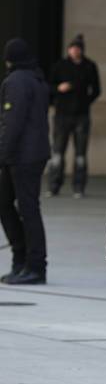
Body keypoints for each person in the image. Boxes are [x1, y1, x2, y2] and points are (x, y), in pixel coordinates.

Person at [0, 38, 50, 285]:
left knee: (27, 209)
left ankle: (34, 266)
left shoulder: (16, 81)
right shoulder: (36, 78)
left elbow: (13, 122)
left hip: (22, 155)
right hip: (34, 153)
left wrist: (3, 154)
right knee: (10, 204)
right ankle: (22, 261)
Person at [47, 34, 100, 198]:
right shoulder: (60, 66)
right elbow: (49, 87)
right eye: (72, 48)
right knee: (57, 153)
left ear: (81, 50)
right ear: (69, 50)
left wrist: (85, 102)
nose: (75, 51)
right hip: (62, 114)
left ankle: (79, 187)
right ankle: (54, 186)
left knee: (80, 154)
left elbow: (96, 90)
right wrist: (58, 89)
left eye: (77, 48)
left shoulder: (89, 66)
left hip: (81, 116)